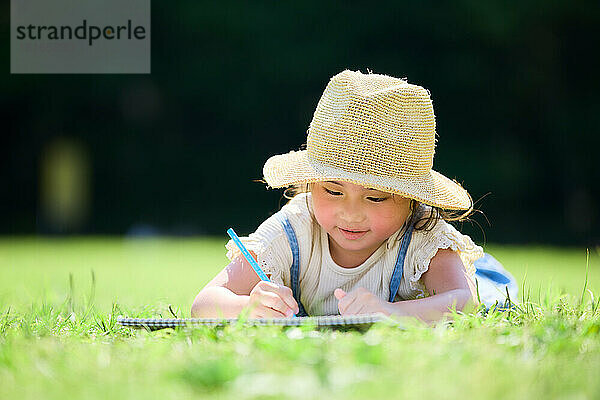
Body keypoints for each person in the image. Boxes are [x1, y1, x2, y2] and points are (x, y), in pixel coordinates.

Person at [191, 70, 517, 322]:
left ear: (412, 200)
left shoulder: (423, 235)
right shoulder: (292, 232)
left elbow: (466, 300)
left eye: (375, 198)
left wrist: (393, 313)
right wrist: (248, 306)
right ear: (311, 183)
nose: (351, 212)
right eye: (333, 191)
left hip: (481, 277)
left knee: (497, 297)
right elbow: (203, 304)